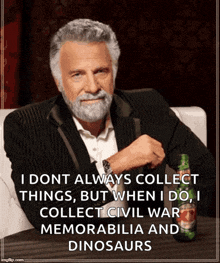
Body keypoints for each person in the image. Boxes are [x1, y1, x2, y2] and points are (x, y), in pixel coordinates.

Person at [4, 19, 215, 231]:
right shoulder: (26, 125)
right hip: (71, 250)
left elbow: (204, 170)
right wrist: (115, 164)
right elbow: (41, 210)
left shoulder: (149, 106)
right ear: (58, 81)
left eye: (100, 71)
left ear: (113, 72)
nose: (93, 87)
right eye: (78, 74)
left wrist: (187, 227)